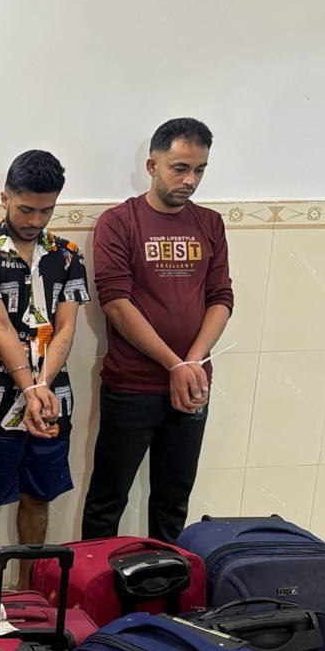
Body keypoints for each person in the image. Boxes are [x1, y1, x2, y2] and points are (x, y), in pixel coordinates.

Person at [81, 117, 234, 544]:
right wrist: (173, 363)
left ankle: (168, 583)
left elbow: (221, 297)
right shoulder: (119, 221)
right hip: (133, 385)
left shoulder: (210, 224)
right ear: (152, 166)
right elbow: (116, 302)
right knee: (108, 499)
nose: (190, 180)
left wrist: (192, 362)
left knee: (173, 501)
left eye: (199, 170)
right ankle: (94, 582)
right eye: (180, 168)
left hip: (193, 384)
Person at [0, 150, 90, 590]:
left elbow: (66, 328)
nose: (35, 220)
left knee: (38, 495)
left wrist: (42, 386)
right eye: (26, 209)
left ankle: (30, 592)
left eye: (46, 210)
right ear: (5, 197)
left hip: (52, 399)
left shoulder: (68, 256)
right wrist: (29, 389)